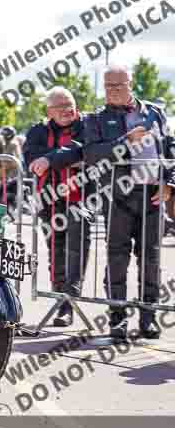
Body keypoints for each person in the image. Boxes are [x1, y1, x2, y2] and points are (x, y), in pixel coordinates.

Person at [84, 65, 175, 340]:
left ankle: (149, 318)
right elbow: (91, 154)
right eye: (108, 86)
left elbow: (171, 148)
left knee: (151, 260)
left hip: (153, 196)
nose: (112, 91)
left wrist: (170, 182)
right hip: (118, 198)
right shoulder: (96, 119)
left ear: (131, 83)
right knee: (117, 259)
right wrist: (126, 141)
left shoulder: (155, 112)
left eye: (118, 85)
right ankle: (118, 319)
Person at [23, 87, 92, 327]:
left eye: (69, 104)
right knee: (56, 252)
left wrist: (51, 159)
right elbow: (32, 160)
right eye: (60, 106)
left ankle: (69, 302)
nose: (67, 109)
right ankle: (60, 302)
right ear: (49, 111)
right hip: (49, 199)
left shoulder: (87, 125)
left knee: (77, 250)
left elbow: (83, 150)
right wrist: (62, 157)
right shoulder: (37, 131)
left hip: (81, 198)